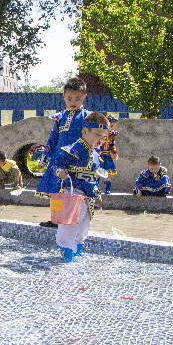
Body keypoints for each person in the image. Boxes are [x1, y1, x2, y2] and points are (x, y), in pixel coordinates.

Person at [52, 111, 109, 262]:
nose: (101, 140)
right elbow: (56, 165)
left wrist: (97, 194)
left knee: (84, 223)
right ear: (85, 131)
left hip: (88, 194)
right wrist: (60, 172)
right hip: (73, 191)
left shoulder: (96, 155)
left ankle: (76, 249)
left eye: (104, 136)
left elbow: (94, 177)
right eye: (98, 135)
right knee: (70, 223)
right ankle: (67, 251)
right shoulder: (72, 150)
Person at [35, 77, 90, 227]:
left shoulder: (87, 117)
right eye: (70, 98)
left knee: (71, 190)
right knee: (56, 191)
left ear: (84, 97)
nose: (73, 101)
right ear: (64, 97)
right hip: (57, 160)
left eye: (78, 98)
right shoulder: (60, 117)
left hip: (75, 160)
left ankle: (71, 219)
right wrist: (45, 157)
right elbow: (53, 138)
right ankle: (56, 219)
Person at [98, 114, 119, 194]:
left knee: (108, 172)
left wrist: (114, 153)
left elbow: (112, 145)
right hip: (100, 155)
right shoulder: (100, 133)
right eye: (111, 126)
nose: (112, 128)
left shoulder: (112, 135)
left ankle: (107, 188)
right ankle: (96, 187)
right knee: (97, 172)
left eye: (114, 126)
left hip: (107, 156)